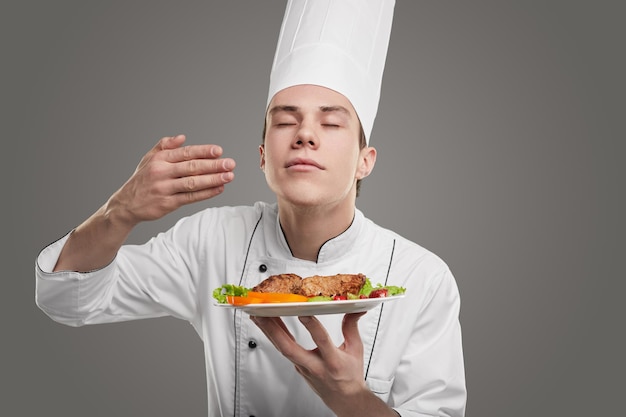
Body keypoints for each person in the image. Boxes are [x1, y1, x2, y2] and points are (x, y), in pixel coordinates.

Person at [35, 1, 466, 416]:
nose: (305, 135)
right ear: (263, 156)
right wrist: (120, 212)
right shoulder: (211, 241)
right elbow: (68, 300)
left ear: (364, 161)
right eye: (284, 120)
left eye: (331, 122)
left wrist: (352, 401)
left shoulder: (422, 278)